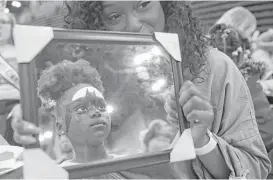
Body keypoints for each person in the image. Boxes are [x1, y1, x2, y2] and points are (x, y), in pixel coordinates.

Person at [9, 1, 271, 179]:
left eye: (143, 3)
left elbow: (255, 170)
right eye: (114, 16)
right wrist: (34, 117)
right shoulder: (94, 79)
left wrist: (203, 142)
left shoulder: (213, 68)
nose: (134, 24)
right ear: (97, 25)